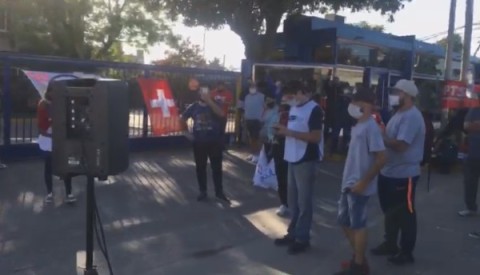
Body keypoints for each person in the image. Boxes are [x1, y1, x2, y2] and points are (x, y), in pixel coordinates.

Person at [371, 79, 425, 266]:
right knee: (390, 211)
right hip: (389, 172)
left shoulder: (411, 116)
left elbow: (401, 145)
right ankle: (390, 243)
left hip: (405, 174)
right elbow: (391, 137)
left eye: (397, 91)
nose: (393, 94)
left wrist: (381, 136)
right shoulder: (398, 113)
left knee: (405, 213)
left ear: (408, 95)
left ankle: (406, 251)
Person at [334, 88, 386, 275]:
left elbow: (381, 158)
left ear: (365, 105)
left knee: (358, 225)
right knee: (344, 222)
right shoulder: (358, 126)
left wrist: (364, 182)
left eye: (355, 102)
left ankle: (358, 266)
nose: (352, 106)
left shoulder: (371, 128)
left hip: (359, 185)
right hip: (348, 183)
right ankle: (360, 260)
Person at [273, 80, 324, 255]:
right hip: (292, 157)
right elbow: (293, 129)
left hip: (306, 159)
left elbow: (316, 137)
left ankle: (302, 238)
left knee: (304, 202)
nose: (292, 97)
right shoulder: (294, 108)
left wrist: (289, 133)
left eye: (296, 94)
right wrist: (282, 130)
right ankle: (293, 233)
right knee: (293, 201)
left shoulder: (314, 109)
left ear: (306, 93)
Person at [180, 83, 230, 203]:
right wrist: (186, 133)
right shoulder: (194, 107)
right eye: (202, 92)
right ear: (199, 94)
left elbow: (221, 114)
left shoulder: (215, 104)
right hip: (199, 143)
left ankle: (219, 192)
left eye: (207, 92)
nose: (204, 94)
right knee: (200, 168)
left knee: (217, 168)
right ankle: (203, 191)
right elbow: (182, 118)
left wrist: (210, 101)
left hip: (214, 142)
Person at [37, 85, 76, 204]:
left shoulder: (62, 102)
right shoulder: (43, 104)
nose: (55, 94)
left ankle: (69, 193)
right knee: (48, 166)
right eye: (53, 92)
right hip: (48, 140)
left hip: (61, 139)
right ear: (48, 92)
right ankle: (49, 193)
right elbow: (41, 127)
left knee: (66, 166)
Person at [458, 106, 480, 217]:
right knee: (470, 182)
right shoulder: (474, 110)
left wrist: (476, 125)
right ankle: (471, 207)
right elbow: (466, 126)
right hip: (473, 152)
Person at [272, 95, 291, 217]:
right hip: (278, 146)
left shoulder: (294, 116)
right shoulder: (277, 114)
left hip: (290, 147)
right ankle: (284, 203)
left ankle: (289, 203)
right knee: (282, 177)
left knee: (288, 179)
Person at [244, 81, 266, 163]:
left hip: (258, 120)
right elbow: (245, 107)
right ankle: (253, 153)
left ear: (257, 87)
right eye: (251, 86)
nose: (252, 88)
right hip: (248, 119)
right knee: (251, 138)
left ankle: (259, 155)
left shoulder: (262, 96)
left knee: (257, 138)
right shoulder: (247, 96)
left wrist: (262, 118)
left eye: (254, 86)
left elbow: (266, 107)